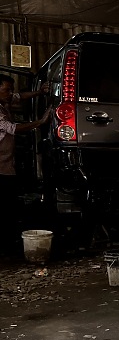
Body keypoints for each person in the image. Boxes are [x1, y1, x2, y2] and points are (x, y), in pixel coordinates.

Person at [0, 75, 50, 256]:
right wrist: (40, 122)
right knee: (5, 208)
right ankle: (7, 248)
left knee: (10, 206)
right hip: (1, 168)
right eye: (6, 90)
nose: (10, 94)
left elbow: (19, 97)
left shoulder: (4, 100)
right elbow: (13, 129)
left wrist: (39, 92)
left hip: (7, 164)